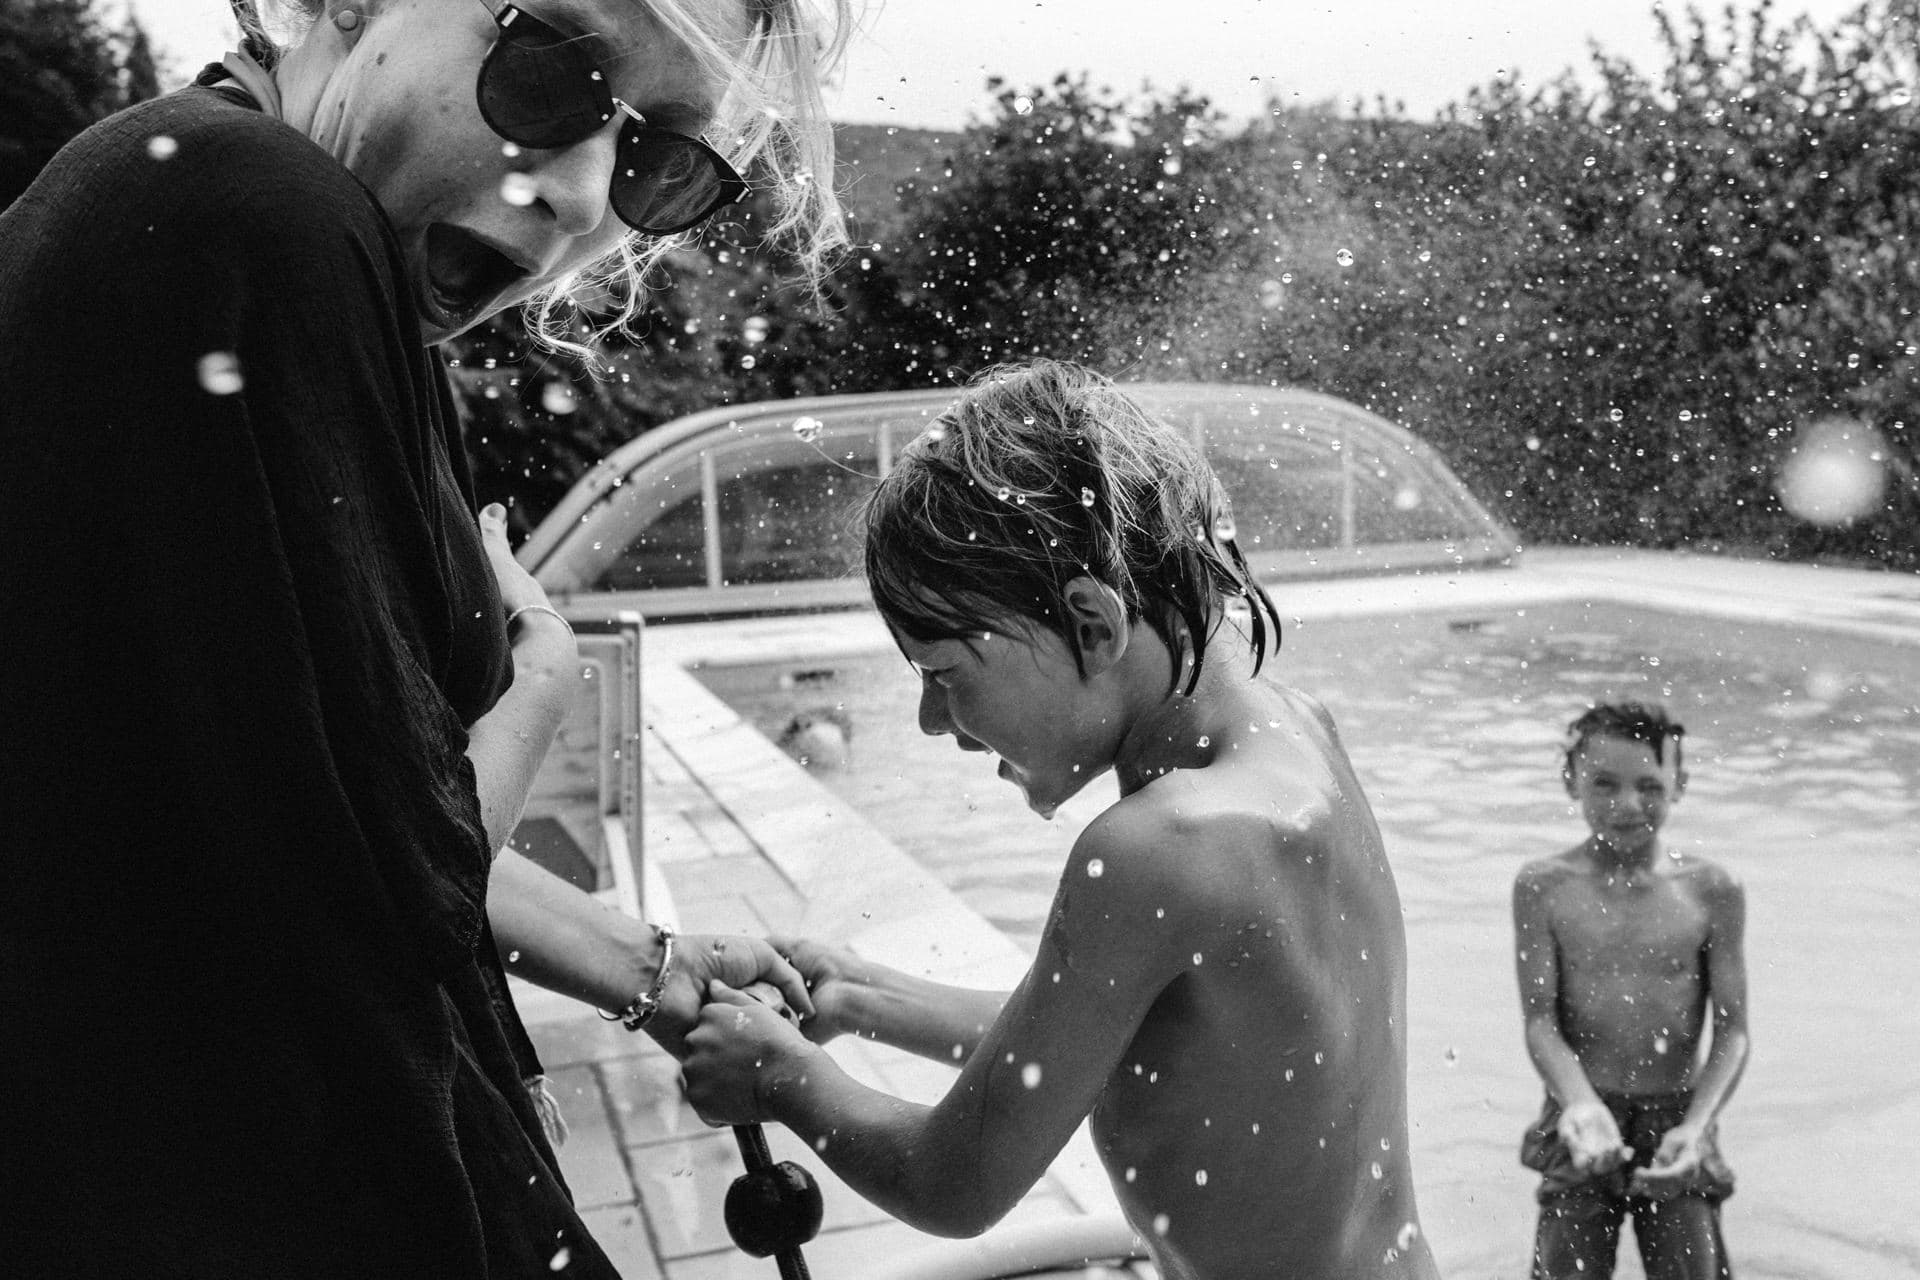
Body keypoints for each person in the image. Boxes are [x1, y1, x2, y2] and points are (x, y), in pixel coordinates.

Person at [0, 0, 849, 1273]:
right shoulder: (265, 215)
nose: (581, 196)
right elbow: (388, 884)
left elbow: (293, 806)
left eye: (660, 160)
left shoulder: (175, 190)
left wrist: (650, 965)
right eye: (551, 64)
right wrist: (542, 678)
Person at [680, 361, 1439, 1280]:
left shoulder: (1159, 849)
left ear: (1092, 624)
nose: (932, 721)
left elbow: (952, 1182)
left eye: (945, 673)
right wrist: (863, 996)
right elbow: (1118, 1044)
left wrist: (782, 1077)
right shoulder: (1297, 734)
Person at [1511, 702, 1750, 1280]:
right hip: (1580, 1113)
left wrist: (1696, 1127)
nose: (1627, 804)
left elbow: (1733, 1031)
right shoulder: (1543, 887)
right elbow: (1540, 1021)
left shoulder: (1711, 890)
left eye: (1649, 786)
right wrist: (1580, 1103)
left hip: (1677, 1117)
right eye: (1604, 784)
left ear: (1679, 784)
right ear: (1571, 780)